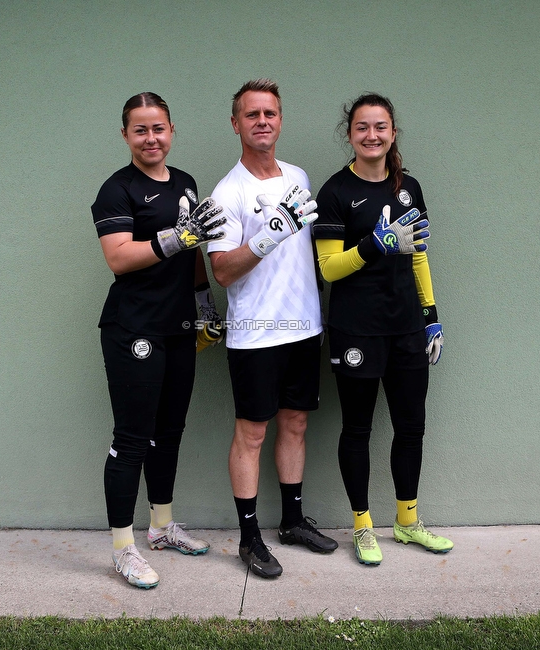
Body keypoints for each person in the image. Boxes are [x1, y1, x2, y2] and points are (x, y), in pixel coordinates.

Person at [91, 92, 227, 589]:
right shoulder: (116, 190)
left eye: (159, 128)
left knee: (169, 430)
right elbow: (119, 257)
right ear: (126, 135)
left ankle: (163, 526)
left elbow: (194, 254)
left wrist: (204, 305)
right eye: (141, 130)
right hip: (133, 328)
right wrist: (176, 237)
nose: (152, 138)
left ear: (172, 130)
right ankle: (123, 548)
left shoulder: (187, 183)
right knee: (131, 437)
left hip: (178, 326)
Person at [312, 93, 453, 566]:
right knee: (357, 428)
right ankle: (363, 526)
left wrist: (430, 315)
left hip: (407, 328)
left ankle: (407, 522)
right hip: (357, 330)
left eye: (380, 127)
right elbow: (329, 269)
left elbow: (418, 255)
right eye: (361, 127)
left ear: (392, 133)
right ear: (349, 134)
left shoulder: (408, 187)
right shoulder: (335, 191)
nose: (371, 135)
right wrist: (374, 245)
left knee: (411, 425)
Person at [207, 79, 339, 579]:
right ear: (236, 123)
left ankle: (291, 521)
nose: (262, 121)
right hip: (257, 335)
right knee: (252, 433)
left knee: (297, 424)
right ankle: (248, 537)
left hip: (304, 327)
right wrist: (266, 238)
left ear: (280, 120)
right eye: (252, 114)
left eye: (271, 113)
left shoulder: (299, 176)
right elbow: (221, 270)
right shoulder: (228, 192)